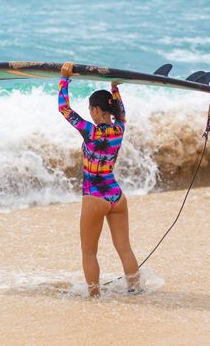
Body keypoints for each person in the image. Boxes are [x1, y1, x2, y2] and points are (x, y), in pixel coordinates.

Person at [58, 62, 142, 297]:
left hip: (94, 196)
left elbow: (64, 109)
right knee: (124, 247)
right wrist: (115, 88)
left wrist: (64, 80)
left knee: (89, 252)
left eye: (90, 109)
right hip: (116, 195)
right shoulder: (119, 129)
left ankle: (94, 297)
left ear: (95, 110)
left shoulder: (89, 131)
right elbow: (122, 113)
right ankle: (135, 289)